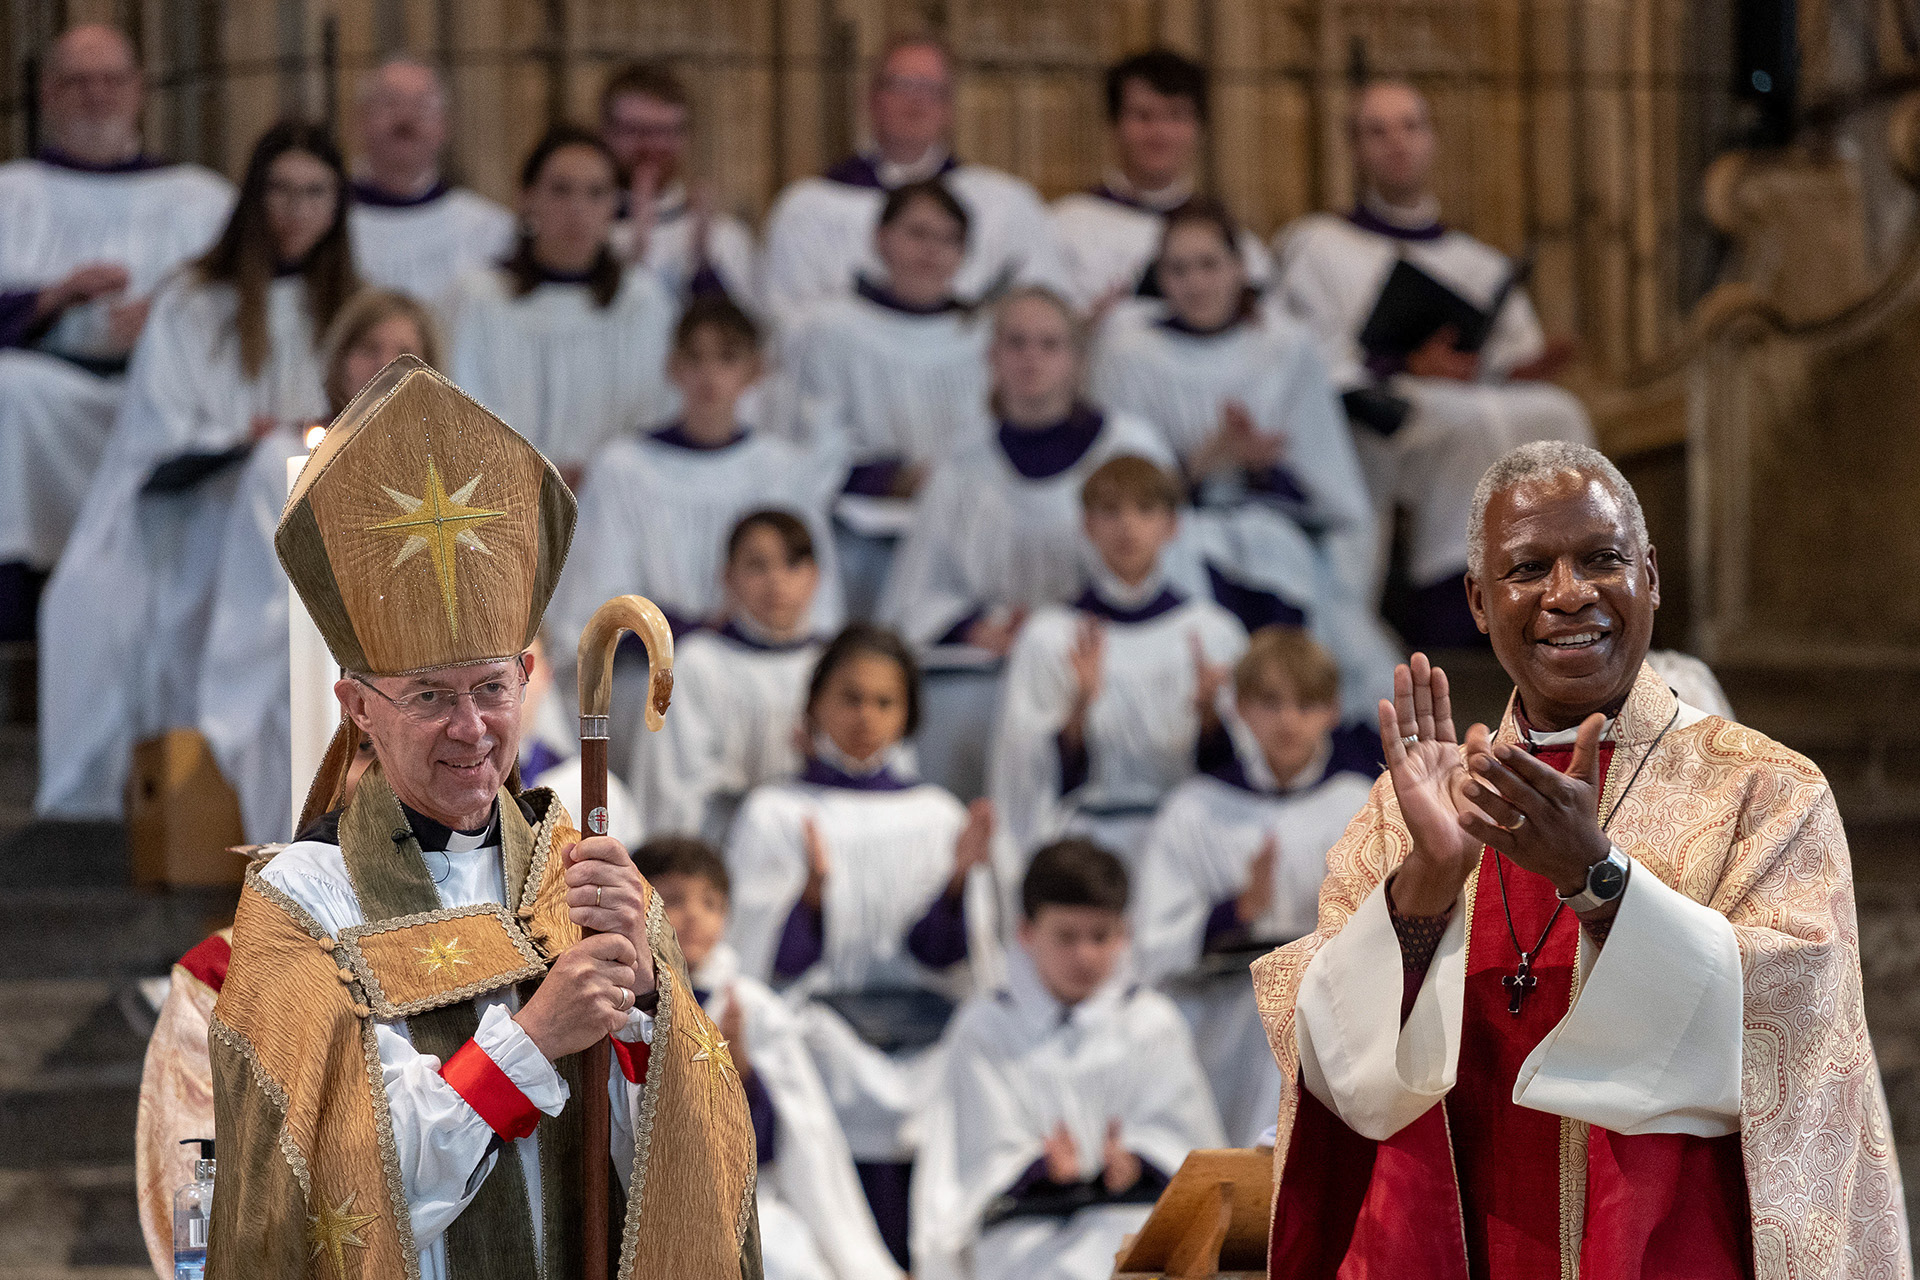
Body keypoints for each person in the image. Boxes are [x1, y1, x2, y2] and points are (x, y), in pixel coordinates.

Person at [1252, 441, 1908, 1276]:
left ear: (1652, 576)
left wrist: (1598, 882)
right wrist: (1427, 883)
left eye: (1601, 558)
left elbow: (1793, 1038)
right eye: (1529, 568)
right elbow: (1335, 1064)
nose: (1569, 594)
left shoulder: (1765, 791)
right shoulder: (1405, 816)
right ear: (1479, 603)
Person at [207, 357, 760, 1278]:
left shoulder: (584, 878)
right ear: (358, 707)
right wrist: (537, 1037)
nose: (471, 729)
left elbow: (686, 1176)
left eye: (490, 689)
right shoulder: (302, 903)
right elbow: (346, 1188)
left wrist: (650, 1011)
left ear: (529, 682)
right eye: (428, 695)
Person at [36, 119, 347, 820]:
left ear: (337, 207)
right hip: (195, 509)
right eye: (280, 190)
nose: (295, 210)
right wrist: (243, 436)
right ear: (251, 199)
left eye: (315, 193)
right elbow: (158, 429)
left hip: (314, 525)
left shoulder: (351, 308)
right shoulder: (193, 300)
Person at [1273, 77, 1594, 647]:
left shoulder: (1477, 260)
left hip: (1465, 397)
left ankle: (1562, 585)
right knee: (1465, 422)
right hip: (1379, 414)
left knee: (1559, 412)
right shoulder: (1317, 245)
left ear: (1432, 140)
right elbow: (1308, 353)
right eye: (1377, 131)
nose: (1396, 143)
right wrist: (1401, 362)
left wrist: (1519, 370)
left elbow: (1506, 356)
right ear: (1355, 150)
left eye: (1410, 127)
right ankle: (1450, 605)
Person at [724, 624, 998, 1265]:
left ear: (909, 715)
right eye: (850, 698)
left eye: (885, 702)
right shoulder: (775, 813)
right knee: (820, 1055)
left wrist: (958, 884)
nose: (866, 717)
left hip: (922, 1024)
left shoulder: (937, 815)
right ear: (815, 704)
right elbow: (763, 965)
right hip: (822, 1022)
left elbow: (945, 958)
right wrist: (811, 902)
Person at [1092, 201, 1398, 719]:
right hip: (1173, 536)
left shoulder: (1284, 347)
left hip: (1276, 532)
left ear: (1239, 269)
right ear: (1159, 278)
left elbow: (1332, 490)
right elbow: (1115, 487)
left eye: (1209, 265)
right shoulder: (1129, 351)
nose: (1195, 282)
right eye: (1178, 269)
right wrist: (1203, 463)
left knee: (1286, 568)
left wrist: (1263, 470)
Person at [0, 24, 233, 636]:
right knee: (10, 389)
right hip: (50, 391)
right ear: (46, 94)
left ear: (139, 91)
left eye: (110, 81)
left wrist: (167, 323)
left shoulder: (201, 199)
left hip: (167, 397)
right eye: (77, 82)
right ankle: (20, 614)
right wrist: (49, 299)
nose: (95, 95)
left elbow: (247, 309)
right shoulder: (12, 194)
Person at [911, 839, 1224, 1280]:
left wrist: (1137, 1163)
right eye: (1066, 937)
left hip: (1130, 1219)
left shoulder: (1151, 1024)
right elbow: (965, 1166)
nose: (1085, 955)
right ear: (1026, 933)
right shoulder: (986, 1028)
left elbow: (1191, 1150)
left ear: (1125, 933)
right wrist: (1036, 1169)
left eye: (1101, 936)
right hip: (1024, 1232)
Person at [197, 287, 437, 844]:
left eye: (404, 351)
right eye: (368, 349)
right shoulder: (281, 460)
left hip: (425, 656)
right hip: (305, 651)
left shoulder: (445, 465)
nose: (385, 366)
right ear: (337, 361)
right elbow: (262, 593)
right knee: (303, 705)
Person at [1131, 628, 1375, 1145]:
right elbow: (1152, 944)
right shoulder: (1195, 809)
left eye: (1306, 704)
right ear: (1240, 708)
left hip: (1324, 1011)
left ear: (1332, 710)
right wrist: (1232, 913)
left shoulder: (1359, 805)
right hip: (1219, 1007)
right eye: (1271, 703)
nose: (1288, 720)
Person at [639, 836, 905, 1280]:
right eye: (674, 900)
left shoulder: (751, 1007)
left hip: (748, 1198)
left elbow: (801, 1139)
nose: (693, 916)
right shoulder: (626, 1001)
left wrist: (740, 1073)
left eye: (710, 903)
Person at [877, 286, 1174, 654]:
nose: (1031, 357)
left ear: (1078, 359)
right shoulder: (961, 462)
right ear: (992, 357)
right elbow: (915, 591)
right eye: (1016, 343)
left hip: (1112, 652)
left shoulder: (1131, 446)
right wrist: (972, 629)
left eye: (1050, 345)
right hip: (990, 661)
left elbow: (1173, 571)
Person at [988, 455, 1247, 876]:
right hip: (1081, 845)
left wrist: (1208, 720)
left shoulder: (1212, 635)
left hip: (1182, 841)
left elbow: (1240, 775)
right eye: (1110, 511)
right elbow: (1024, 779)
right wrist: (1078, 710)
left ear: (1172, 525)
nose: (1127, 526)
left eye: (1145, 510)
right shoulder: (1049, 636)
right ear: (1087, 525)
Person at [551, 293, 845, 645]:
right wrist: (689, 634)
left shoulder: (783, 470)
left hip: (757, 664)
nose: (710, 375)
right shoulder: (623, 467)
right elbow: (598, 598)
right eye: (695, 358)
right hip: (647, 672)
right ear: (673, 367)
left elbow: (814, 597)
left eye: (727, 358)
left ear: (754, 371)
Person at [760, 34, 1068, 319]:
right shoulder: (809, 208)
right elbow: (786, 322)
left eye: (932, 88)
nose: (917, 101)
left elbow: (1042, 310)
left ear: (950, 107)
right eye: (902, 84)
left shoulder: (1006, 203)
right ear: (870, 98)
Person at [444, 125, 677, 481]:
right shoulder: (480, 297)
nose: (577, 209)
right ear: (526, 198)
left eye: (596, 193)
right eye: (560, 190)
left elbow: (659, 411)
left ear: (615, 205)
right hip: (503, 500)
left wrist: (601, 474)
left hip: (613, 500)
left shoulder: (642, 302)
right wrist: (537, 476)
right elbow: (459, 411)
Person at [778, 179, 991, 503]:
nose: (932, 250)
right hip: (861, 523)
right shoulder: (830, 329)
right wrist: (895, 480)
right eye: (918, 233)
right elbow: (807, 446)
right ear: (880, 238)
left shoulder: (981, 336)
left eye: (949, 239)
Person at [630, 511, 824, 844]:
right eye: (758, 566)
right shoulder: (697, 664)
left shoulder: (830, 665)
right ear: (728, 577)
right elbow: (674, 788)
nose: (776, 580)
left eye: (792, 564)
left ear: (814, 577)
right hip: (717, 850)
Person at [1049, 49, 1271, 309]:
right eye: (1143, 116)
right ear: (1114, 125)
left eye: (1176, 116)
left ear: (1199, 128)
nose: (1160, 132)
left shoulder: (1234, 240)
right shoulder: (1065, 225)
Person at [346, 57, 516, 306]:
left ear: (444, 125)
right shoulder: (329, 224)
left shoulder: (488, 230)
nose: (406, 118)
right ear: (361, 119)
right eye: (390, 103)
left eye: (422, 106)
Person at [599, 61, 759, 310]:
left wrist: (703, 263)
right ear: (606, 132)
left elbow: (743, 336)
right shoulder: (585, 232)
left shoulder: (725, 237)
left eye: (666, 131)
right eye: (638, 131)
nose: (653, 146)